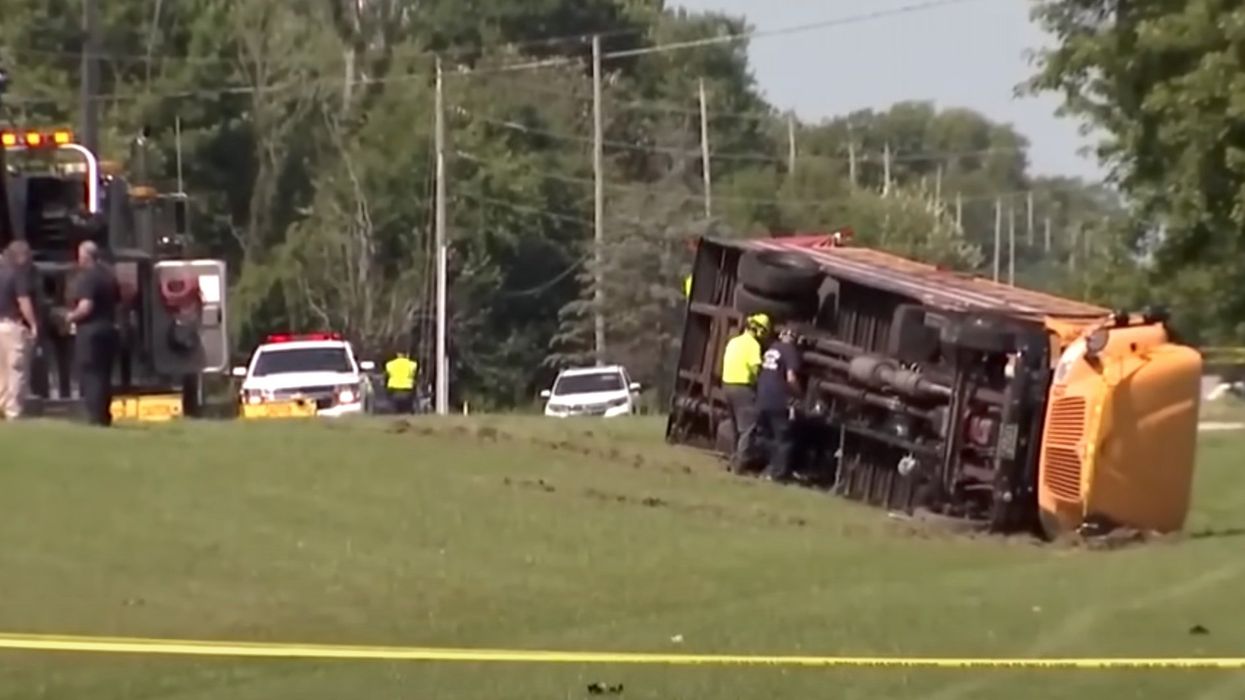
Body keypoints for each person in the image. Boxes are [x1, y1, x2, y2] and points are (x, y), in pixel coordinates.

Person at [62, 240, 120, 427]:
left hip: (90, 332)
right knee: (104, 375)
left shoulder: (88, 277)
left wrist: (70, 317)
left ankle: (95, 417)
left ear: (85, 257)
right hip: (108, 329)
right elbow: (119, 300)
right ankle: (104, 415)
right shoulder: (109, 275)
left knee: (90, 374)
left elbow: (86, 307)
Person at [720, 313, 769, 471]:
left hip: (727, 385)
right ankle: (739, 465)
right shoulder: (753, 345)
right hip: (743, 388)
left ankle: (733, 459)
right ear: (760, 330)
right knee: (747, 428)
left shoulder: (734, 341)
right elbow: (755, 368)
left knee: (735, 427)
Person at [755, 326, 802, 482]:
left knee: (767, 436)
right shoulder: (790, 351)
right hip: (777, 398)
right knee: (784, 438)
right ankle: (778, 474)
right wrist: (799, 394)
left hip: (762, 396)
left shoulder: (772, 348)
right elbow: (791, 378)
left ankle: (768, 468)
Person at [0, 241, 39, 420]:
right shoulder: (18, 274)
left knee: (2, 371)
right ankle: (13, 411)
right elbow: (23, 300)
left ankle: (1, 406)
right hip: (13, 325)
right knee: (16, 369)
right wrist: (33, 324)